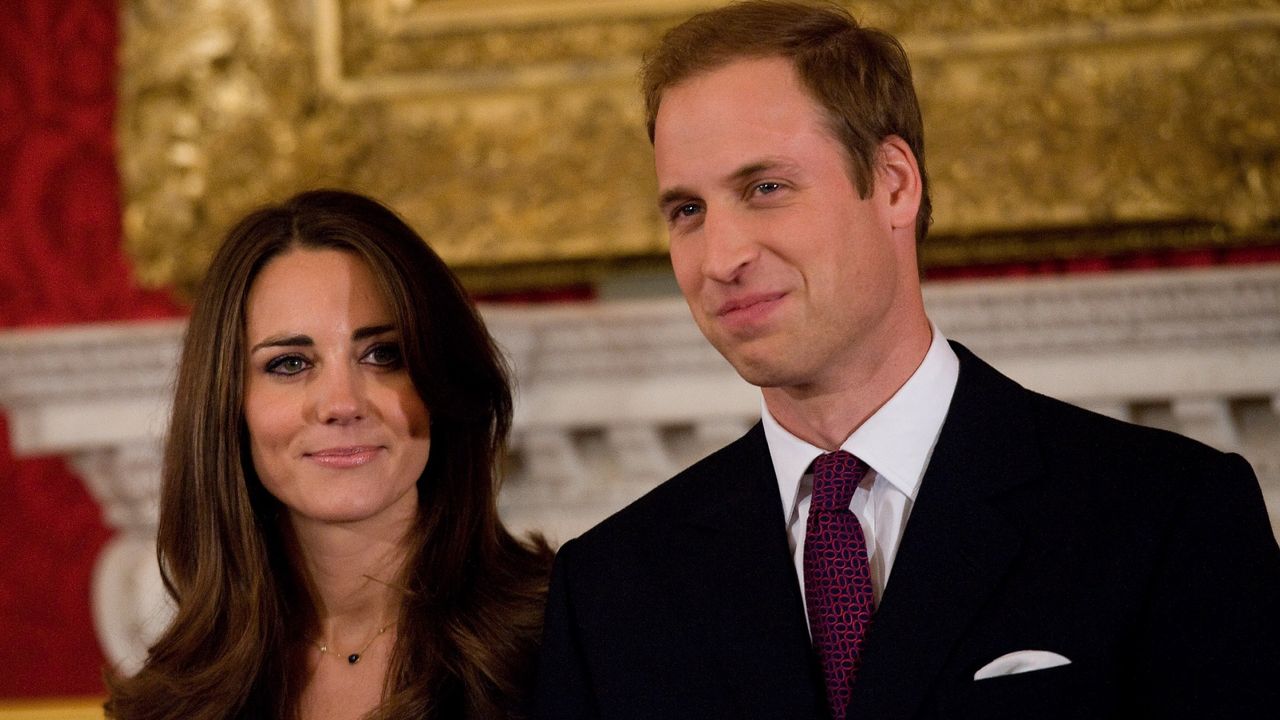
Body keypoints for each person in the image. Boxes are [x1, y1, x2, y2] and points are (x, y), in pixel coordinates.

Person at [534, 2, 1280, 718]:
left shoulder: (1167, 513)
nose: (720, 258)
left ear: (894, 182)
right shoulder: (609, 585)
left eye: (765, 188)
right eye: (687, 211)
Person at [106, 190, 552, 720]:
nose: (343, 404)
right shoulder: (173, 697)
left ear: (441, 383)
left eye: (384, 355)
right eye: (290, 363)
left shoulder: (568, 633)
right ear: (228, 405)